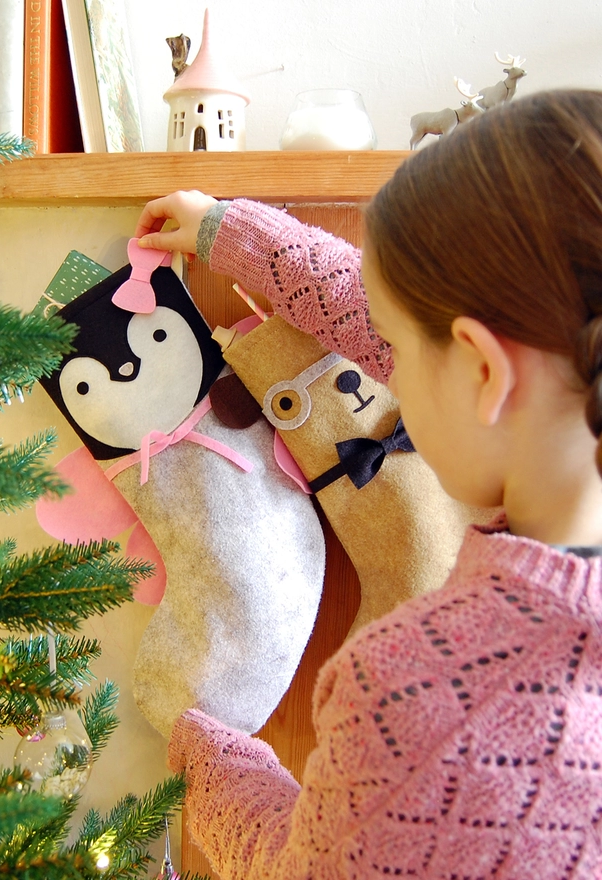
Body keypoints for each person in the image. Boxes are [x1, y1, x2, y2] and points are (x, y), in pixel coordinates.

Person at [134, 90, 602, 879]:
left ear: (485, 369)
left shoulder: (418, 694)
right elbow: (376, 308)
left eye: (394, 354)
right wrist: (229, 234)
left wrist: (208, 754)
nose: (386, 374)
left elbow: (297, 868)